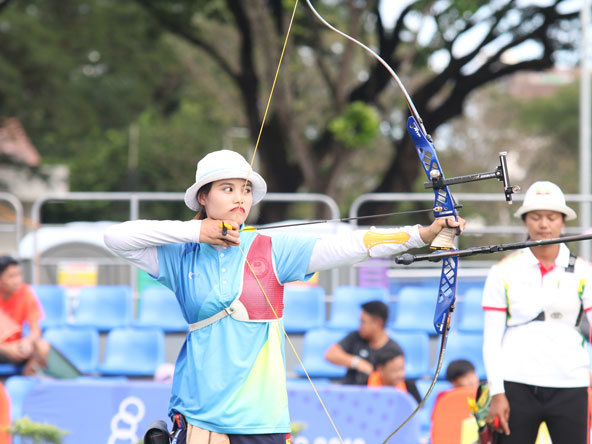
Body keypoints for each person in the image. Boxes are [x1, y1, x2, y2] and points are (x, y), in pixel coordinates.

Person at [104, 149, 466, 443]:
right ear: (203, 196)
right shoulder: (179, 255)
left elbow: (352, 245)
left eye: (245, 190)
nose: (240, 198)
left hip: (262, 419)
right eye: (227, 188)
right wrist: (197, 231)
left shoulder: (271, 248)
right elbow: (117, 238)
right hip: (200, 415)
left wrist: (422, 234)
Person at [481, 181, 592, 444]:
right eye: (536, 217)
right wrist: (497, 392)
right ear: (525, 222)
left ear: (563, 222)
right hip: (516, 383)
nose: (544, 224)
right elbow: (491, 339)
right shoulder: (503, 270)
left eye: (551, 217)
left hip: (570, 384)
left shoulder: (585, 271)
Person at [324, 300, 401, 385]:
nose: (360, 326)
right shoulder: (355, 337)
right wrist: (356, 362)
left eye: (363, 322)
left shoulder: (394, 351)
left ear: (378, 323)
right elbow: (330, 354)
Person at [0, 255, 50, 375]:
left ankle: (25, 385)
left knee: (43, 347)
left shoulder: (25, 292)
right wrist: (6, 348)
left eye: (18, 275)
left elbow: (35, 330)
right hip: (2, 348)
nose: (17, 280)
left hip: (18, 348)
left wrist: (27, 342)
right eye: (11, 276)